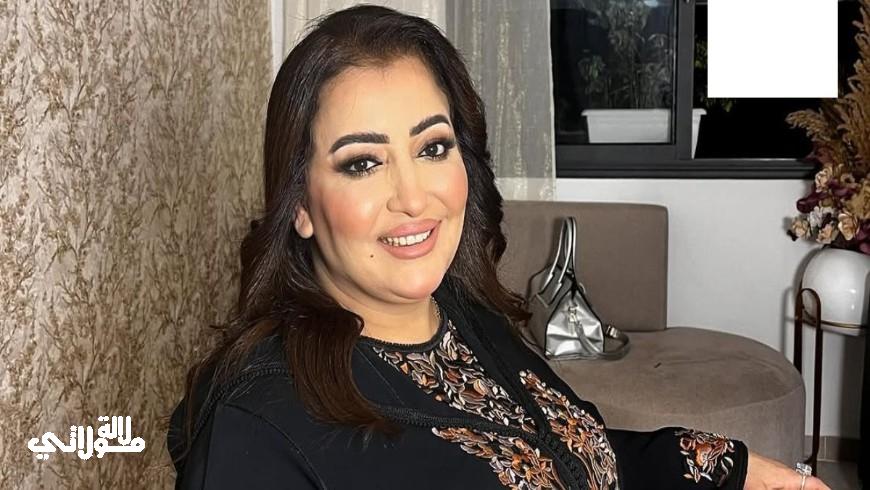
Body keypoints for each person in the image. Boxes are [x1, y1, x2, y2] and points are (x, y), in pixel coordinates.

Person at [166, 5, 831, 489]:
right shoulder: (258, 427)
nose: (414, 197)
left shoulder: (465, 310)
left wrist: (728, 466)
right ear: (301, 205)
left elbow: (570, 457)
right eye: (363, 163)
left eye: (433, 148)